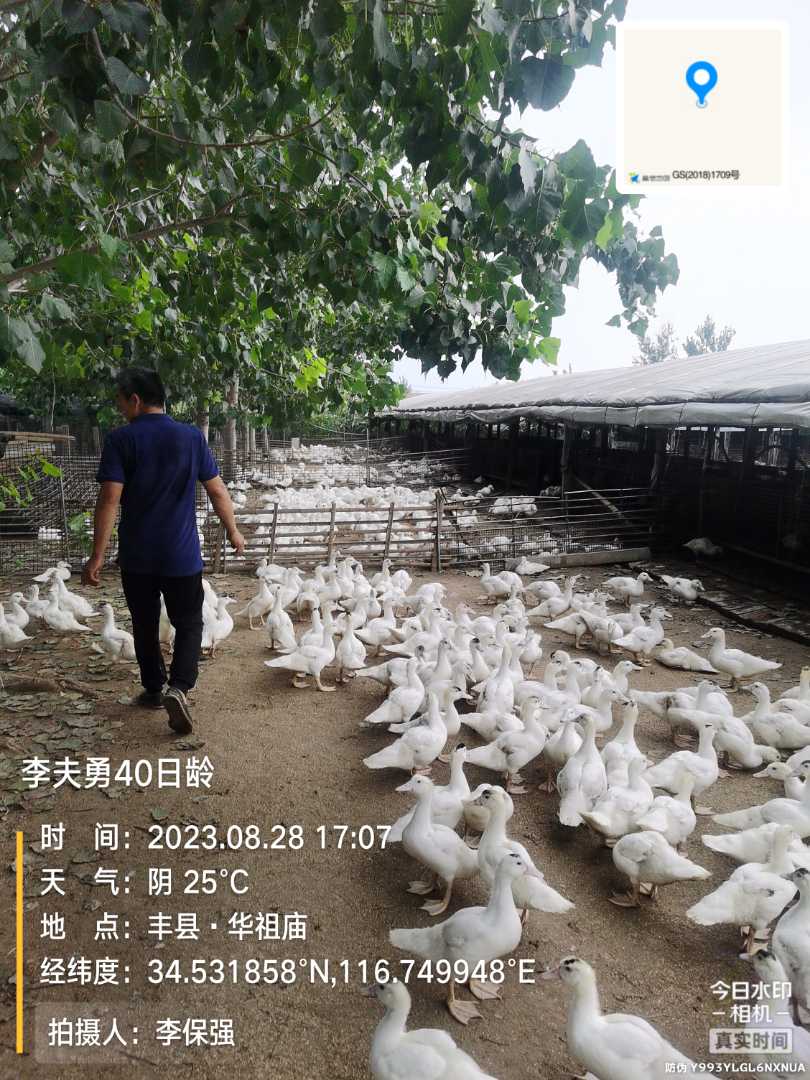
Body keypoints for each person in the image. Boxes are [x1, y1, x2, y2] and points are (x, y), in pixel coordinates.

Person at [82, 367, 245, 734]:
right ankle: (180, 687)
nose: (120, 408)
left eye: (121, 401)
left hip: (137, 557)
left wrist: (97, 555)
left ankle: (154, 689)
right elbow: (217, 490)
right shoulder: (191, 437)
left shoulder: (121, 440)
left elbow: (109, 499)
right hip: (181, 555)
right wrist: (233, 531)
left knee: (144, 622)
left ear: (135, 400)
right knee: (188, 622)